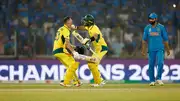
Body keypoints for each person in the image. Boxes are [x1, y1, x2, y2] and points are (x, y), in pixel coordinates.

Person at [71, 14, 108, 87]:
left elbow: (96, 36)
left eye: (85, 21)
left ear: (89, 22)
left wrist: (89, 40)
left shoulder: (94, 28)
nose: (84, 22)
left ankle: (100, 82)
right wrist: (76, 27)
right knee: (91, 64)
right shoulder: (89, 27)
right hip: (98, 49)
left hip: (102, 48)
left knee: (93, 62)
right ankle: (99, 82)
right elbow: (83, 28)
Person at [141, 13, 170, 86]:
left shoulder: (161, 27)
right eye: (150, 19)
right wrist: (143, 50)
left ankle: (159, 78)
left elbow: (165, 39)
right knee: (151, 65)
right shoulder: (147, 28)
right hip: (151, 50)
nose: (151, 20)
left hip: (160, 49)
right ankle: (152, 80)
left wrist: (168, 50)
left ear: (156, 19)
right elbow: (144, 40)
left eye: (152, 19)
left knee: (160, 63)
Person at [53, 16, 82, 87]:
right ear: (68, 22)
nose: (72, 23)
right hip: (61, 50)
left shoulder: (61, 29)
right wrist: (74, 52)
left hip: (56, 51)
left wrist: (75, 47)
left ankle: (76, 82)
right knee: (73, 64)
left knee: (70, 66)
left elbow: (64, 43)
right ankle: (65, 81)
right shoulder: (66, 30)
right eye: (71, 21)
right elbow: (67, 44)